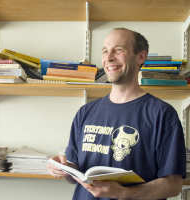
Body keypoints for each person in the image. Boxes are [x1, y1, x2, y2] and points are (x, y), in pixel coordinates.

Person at [47, 27, 186, 200]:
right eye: (105, 51)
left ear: (140, 57)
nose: (109, 58)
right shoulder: (85, 112)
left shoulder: (162, 115)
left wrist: (123, 193)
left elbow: (173, 185)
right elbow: (75, 174)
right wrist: (62, 168)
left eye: (118, 50)